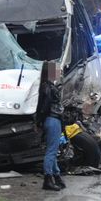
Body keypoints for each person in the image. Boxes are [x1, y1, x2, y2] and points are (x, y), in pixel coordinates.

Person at [37, 61, 66, 191]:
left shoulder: (46, 86)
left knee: (52, 150)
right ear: (51, 72)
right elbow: (45, 107)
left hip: (51, 120)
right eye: (57, 70)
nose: (59, 72)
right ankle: (48, 180)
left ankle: (56, 176)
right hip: (53, 120)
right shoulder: (49, 87)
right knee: (51, 151)